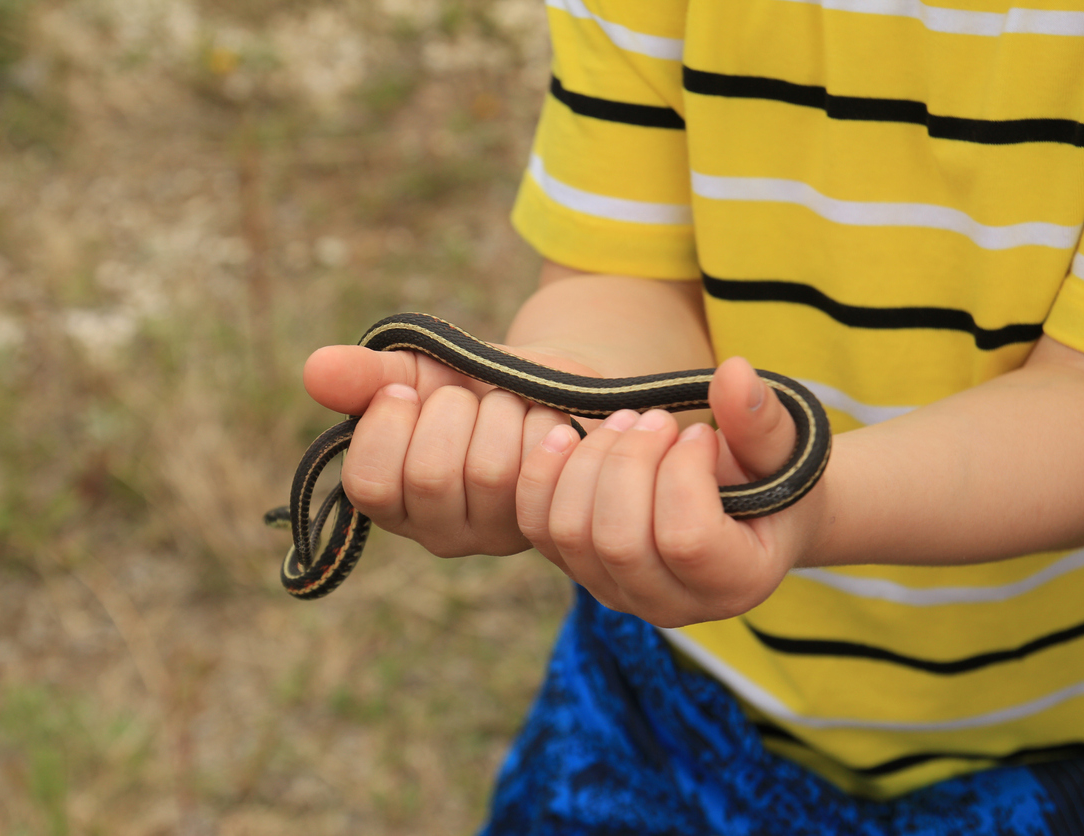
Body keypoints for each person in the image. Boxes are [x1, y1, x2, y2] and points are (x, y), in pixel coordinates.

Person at [303, 0, 1084, 832]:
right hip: (667, 689)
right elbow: (622, 274)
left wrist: (810, 505)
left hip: (1048, 745)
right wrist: (582, 386)